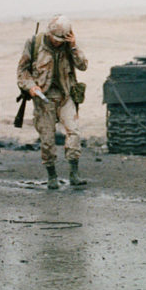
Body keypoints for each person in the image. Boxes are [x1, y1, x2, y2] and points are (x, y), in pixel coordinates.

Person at [17, 15, 88, 189]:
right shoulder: (34, 44)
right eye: (55, 39)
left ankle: (74, 173)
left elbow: (83, 65)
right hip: (43, 99)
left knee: (74, 132)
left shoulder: (68, 46)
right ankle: (52, 176)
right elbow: (22, 71)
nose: (57, 43)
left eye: (61, 40)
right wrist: (31, 86)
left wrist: (73, 47)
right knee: (47, 140)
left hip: (65, 96)